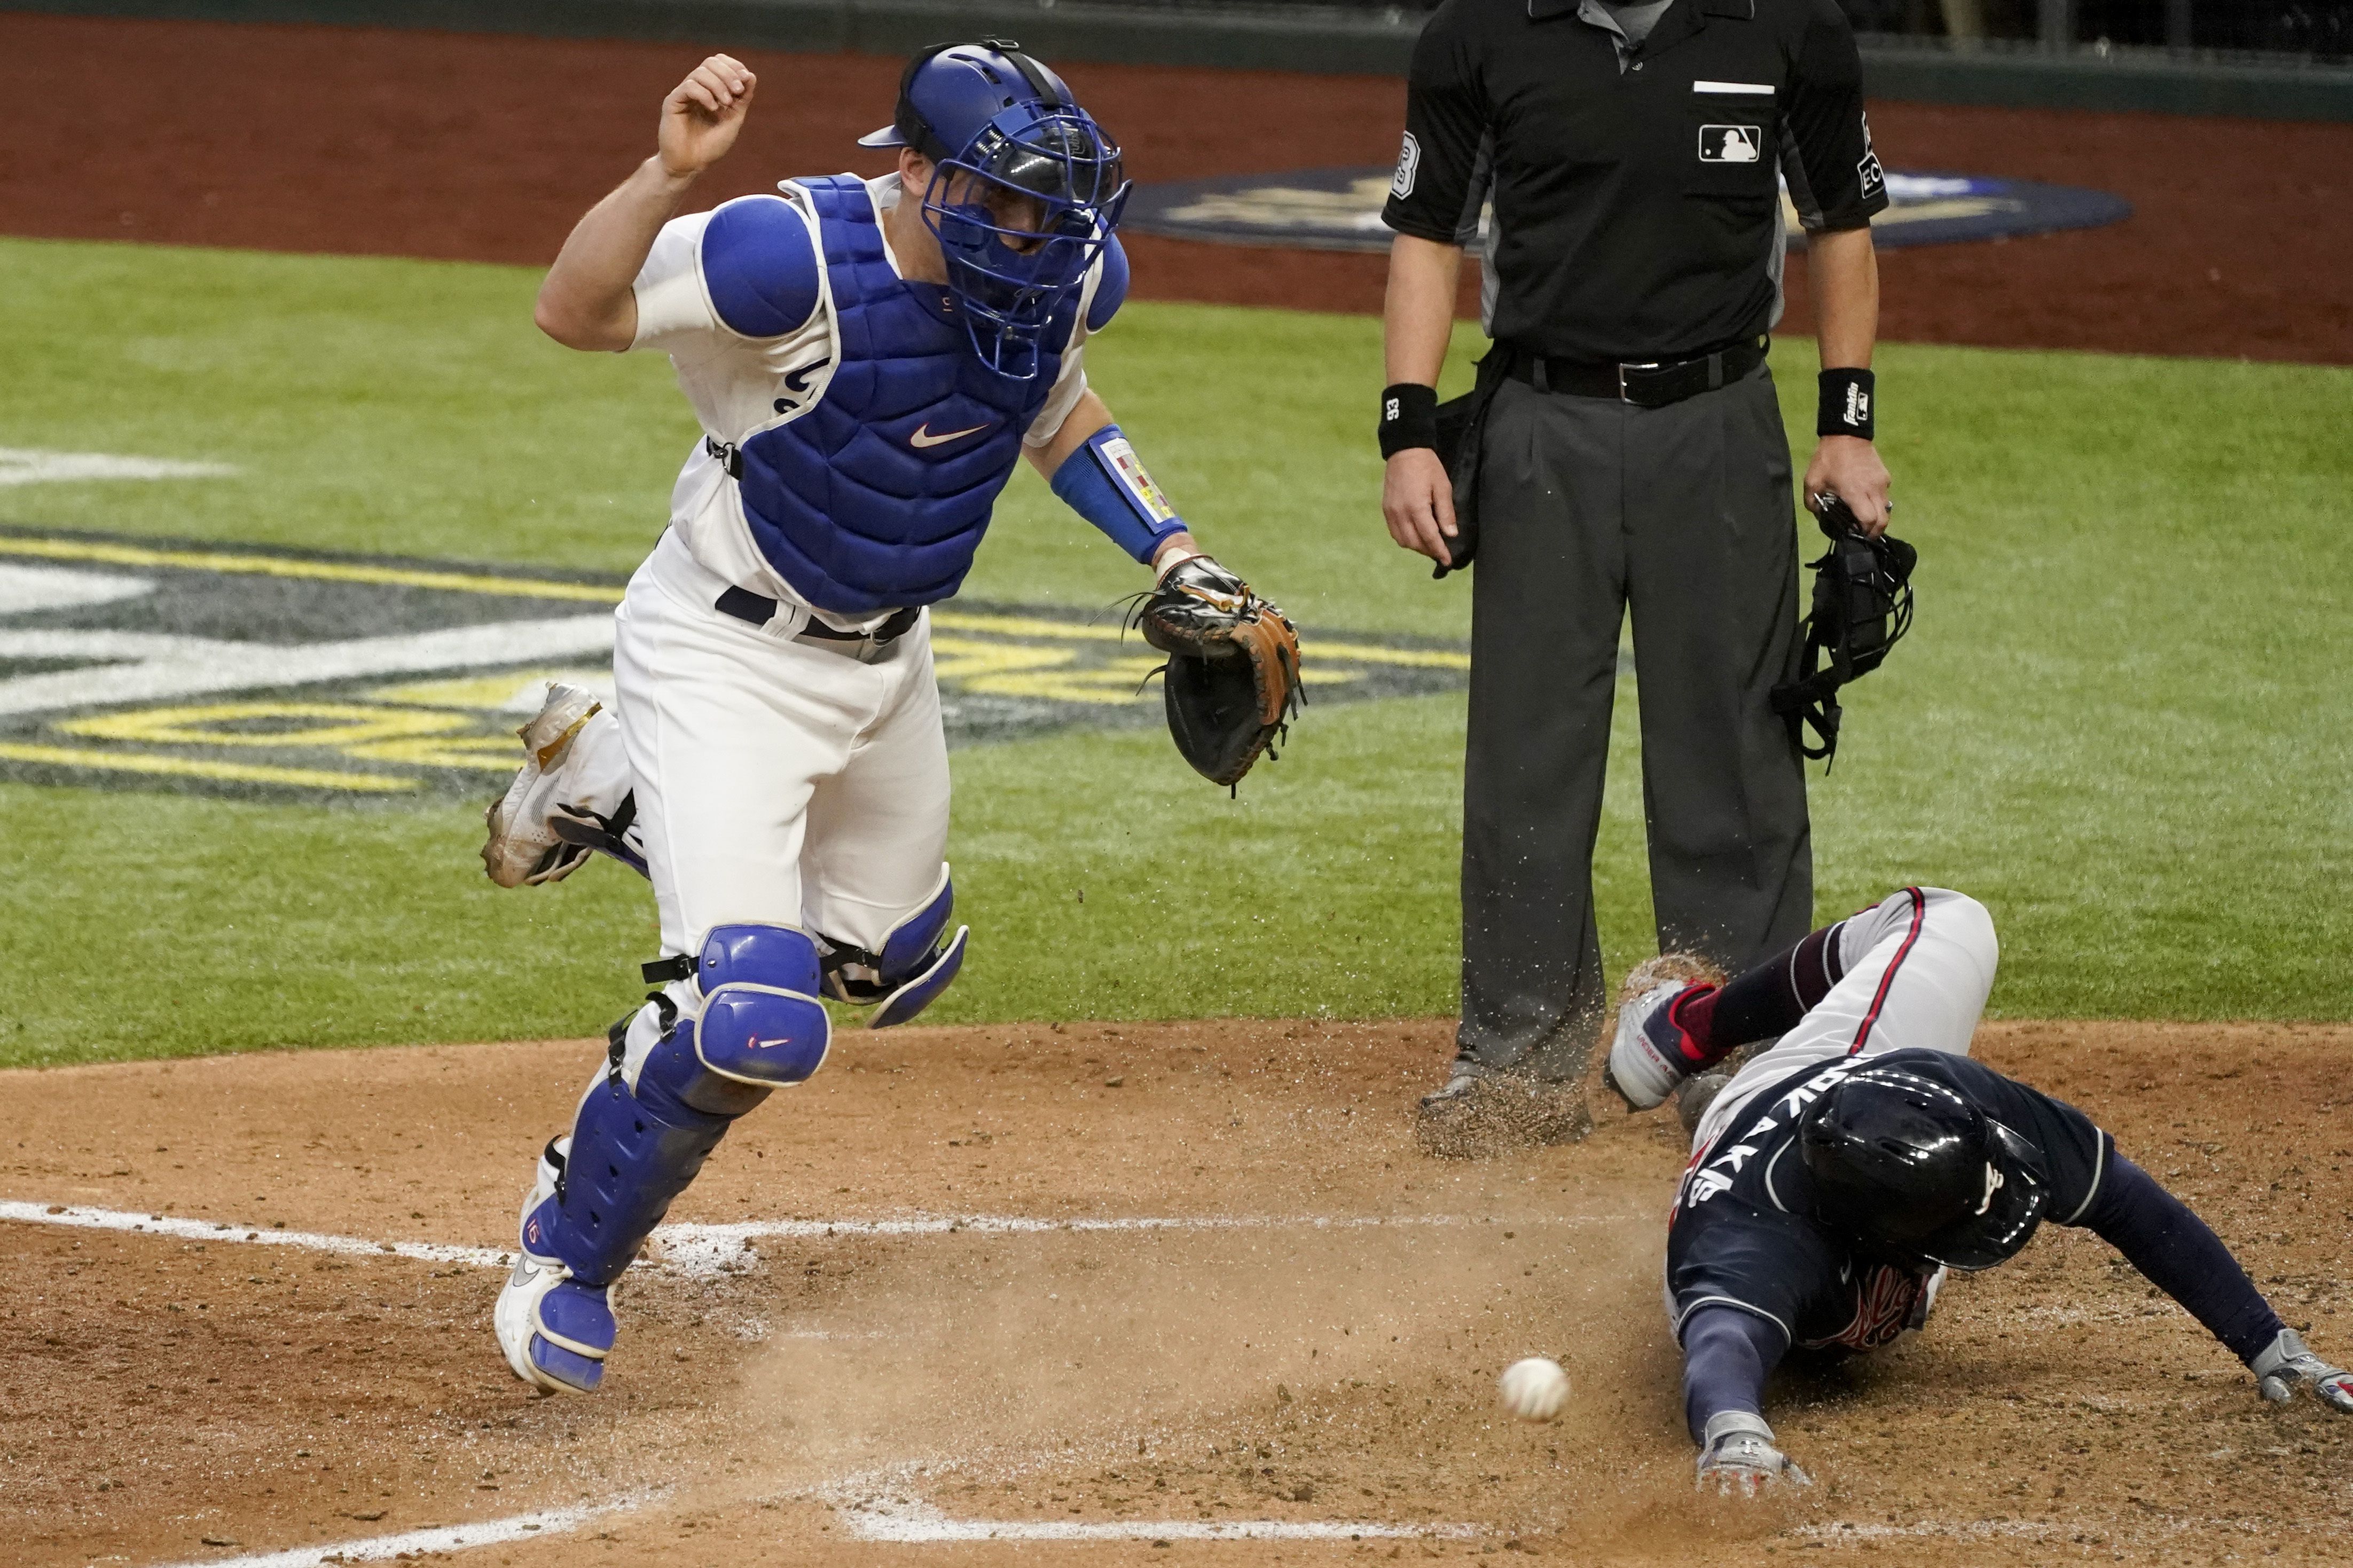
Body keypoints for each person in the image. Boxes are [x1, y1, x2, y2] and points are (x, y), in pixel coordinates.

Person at [477, 44, 1270, 1395]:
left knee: (891, 962)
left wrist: (1174, 551)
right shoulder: (778, 260)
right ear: (914, 170)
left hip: (885, 668)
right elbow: (572, 309)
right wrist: (668, 174)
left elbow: (1059, 407)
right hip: (722, 657)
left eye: (1055, 212)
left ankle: (601, 777)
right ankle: (564, 1254)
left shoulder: (1068, 272)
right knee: (749, 1018)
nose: (1038, 240)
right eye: (1006, 206)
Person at [1376, 0, 1897, 1151]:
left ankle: (1737, 1046)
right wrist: (1406, 429)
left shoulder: (1786, 31)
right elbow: (1427, 231)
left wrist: (1846, 423)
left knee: (1731, 748)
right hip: (1538, 423)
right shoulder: (1478, 36)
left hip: (1719, 420)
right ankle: (1516, 1058)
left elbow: (1841, 222)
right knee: (1526, 751)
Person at [1601, 887, 2353, 1493]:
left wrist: (2273, 1349)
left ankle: (1688, 1030)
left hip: (1853, 1079)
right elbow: (1720, 1345)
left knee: (1950, 916)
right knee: (1799, 1319)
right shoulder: (1746, 1240)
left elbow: (2122, 1198)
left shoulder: (1950, 1093)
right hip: (1765, 1148)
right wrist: (1737, 1435)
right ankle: (1710, 1101)